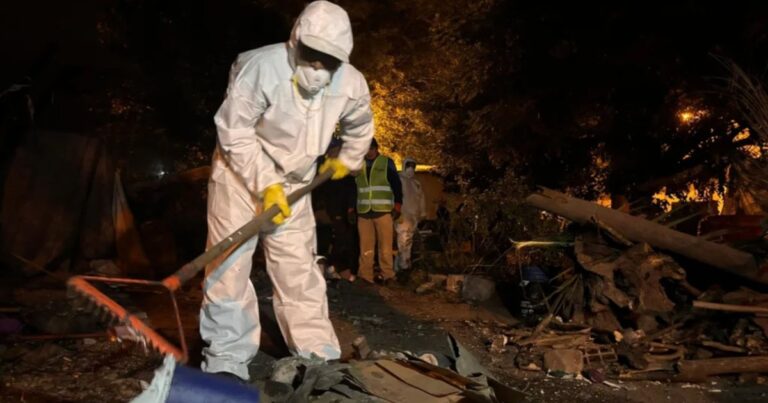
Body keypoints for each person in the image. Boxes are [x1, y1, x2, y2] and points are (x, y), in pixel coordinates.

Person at [200, 1, 374, 381]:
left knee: (298, 269)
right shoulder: (260, 68)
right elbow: (234, 131)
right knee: (229, 265)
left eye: (328, 59)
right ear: (295, 41)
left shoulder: (351, 84)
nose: (317, 67)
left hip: (296, 183)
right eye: (311, 54)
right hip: (239, 179)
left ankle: (316, 354)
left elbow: (361, 126)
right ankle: (227, 358)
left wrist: (350, 156)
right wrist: (267, 184)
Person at [351, 138, 402, 284]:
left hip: (383, 211)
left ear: (376, 148)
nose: (369, 152)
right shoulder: (358, 165)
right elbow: (354, 188)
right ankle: (365, 276)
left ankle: (388, 275)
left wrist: (398, 205)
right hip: (364, 212)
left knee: (385, 247)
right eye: (366, 149)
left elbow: (396, 185)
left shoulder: (386, 162)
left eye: (371, 149)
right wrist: (351, 209)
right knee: (365, 248)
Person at [395, 157, 426, 271]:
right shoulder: (399, 179)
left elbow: (421, 198)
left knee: (408, 241)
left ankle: (400, 267)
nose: (411, 168)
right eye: (409, 165)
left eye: (413, 166)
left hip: (414, 216)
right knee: (403, 242)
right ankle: (404, 266)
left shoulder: (416, 183)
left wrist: (422, 213)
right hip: (403, 215)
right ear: (404, 165)